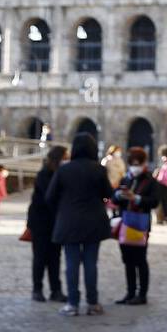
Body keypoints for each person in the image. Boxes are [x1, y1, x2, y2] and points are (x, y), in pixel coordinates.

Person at [46, 132, 114, 317]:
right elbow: (108, 194)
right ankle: (92, 303)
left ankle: (73, 304)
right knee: (91, 263)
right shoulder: (99, 170)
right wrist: (102, 199)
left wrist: (64, 207)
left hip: (69, 221)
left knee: (71, 263)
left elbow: (50, 197)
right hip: (94, 221)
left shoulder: (64, 170)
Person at [113, 147, 160, 305]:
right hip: (125, 223)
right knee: (127, 259)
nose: (135, 166)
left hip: (140, 224)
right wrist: (119, 195)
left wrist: (137, 198)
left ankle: (142, 294)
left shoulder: (150, 180)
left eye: (138, 163)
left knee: (140, 259)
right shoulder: (125, 179)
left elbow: (154, 201)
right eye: (132, 163)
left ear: (143, 163)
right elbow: (115, 198)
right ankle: (130, 292)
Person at [28, 145, 67, 302]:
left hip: (55, 222)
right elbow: (49, 197)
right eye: (65, 158)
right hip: (41, 222)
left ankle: (55, 290)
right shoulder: (44, 174)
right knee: (40, 257)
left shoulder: (60, 174)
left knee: (55, 257)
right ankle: (37, 289)